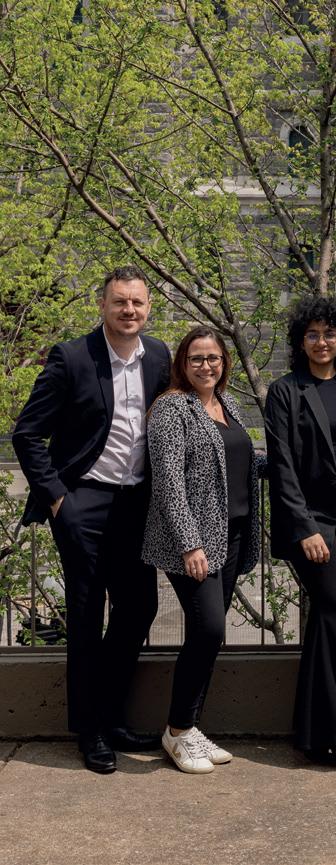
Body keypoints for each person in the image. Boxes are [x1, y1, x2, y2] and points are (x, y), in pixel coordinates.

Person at [12, 265, 171, 773]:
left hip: (136, 503)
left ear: (148, 308)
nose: (129, 310)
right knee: (86, 614)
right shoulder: (72, 357)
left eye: (137, 302)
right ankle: (90, 731)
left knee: (139, 606)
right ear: (102, 305)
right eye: (119, 301)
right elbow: (27, 434)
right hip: (84, 501)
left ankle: (111, 716)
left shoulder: (159, 357)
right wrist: (59, 499)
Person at [264, 296, 336, 773]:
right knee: (335, 611)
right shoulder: (285, 391)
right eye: (312, 334)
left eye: (329, 333)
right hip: (312, 522)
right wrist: (305, 527)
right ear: (300, 341)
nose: (321, 342)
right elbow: (281, 466)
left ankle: (311, 735)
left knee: (325, 622)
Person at [142, 326, 264, 774]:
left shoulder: (227, 404)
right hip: (193, 542)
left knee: (206, 637)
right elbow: (169, 481)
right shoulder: (172, 408)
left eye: (213, 358)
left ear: (224, 363)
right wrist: (189, 543)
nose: (206, 365)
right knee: (209, 629)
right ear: (183, 363)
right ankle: (176, 732)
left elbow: (239, 461)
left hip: (232, 535)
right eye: (196, 358)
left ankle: (190, 727)